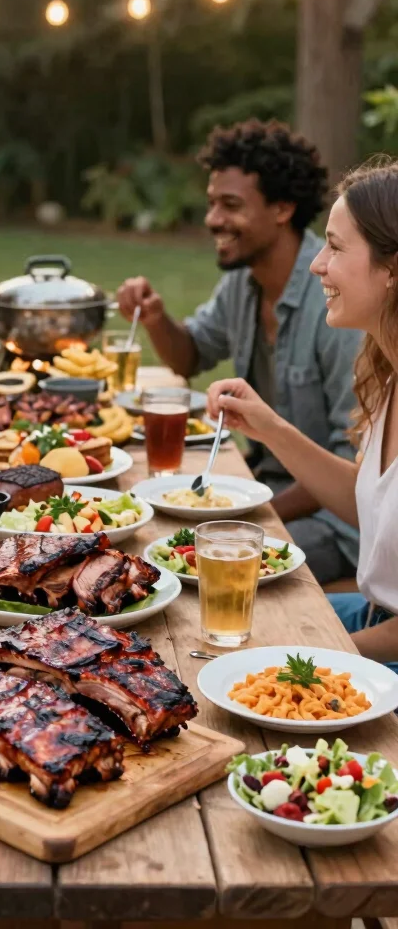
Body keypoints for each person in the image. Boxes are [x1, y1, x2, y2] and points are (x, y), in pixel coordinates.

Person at [117, 119, 361, 586]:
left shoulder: (338, 307)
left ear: (283, 208)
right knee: (152, 542)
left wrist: (246, 516)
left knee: (192, 567)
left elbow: (352, 470)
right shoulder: (242, 283)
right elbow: (190, 356)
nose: (213, 220)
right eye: (212, 204)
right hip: (265, 493)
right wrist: (154, 317)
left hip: (334, 525)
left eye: (230, 205)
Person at [206, 159, 398, 669]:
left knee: (243, 655)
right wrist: (268, 427)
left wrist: (317, 654)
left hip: (387, 644)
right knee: (217, 618)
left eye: (335, 247)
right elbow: (373, 509)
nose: (317, 264)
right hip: (374, 616)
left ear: (392, 269)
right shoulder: (387, 371)